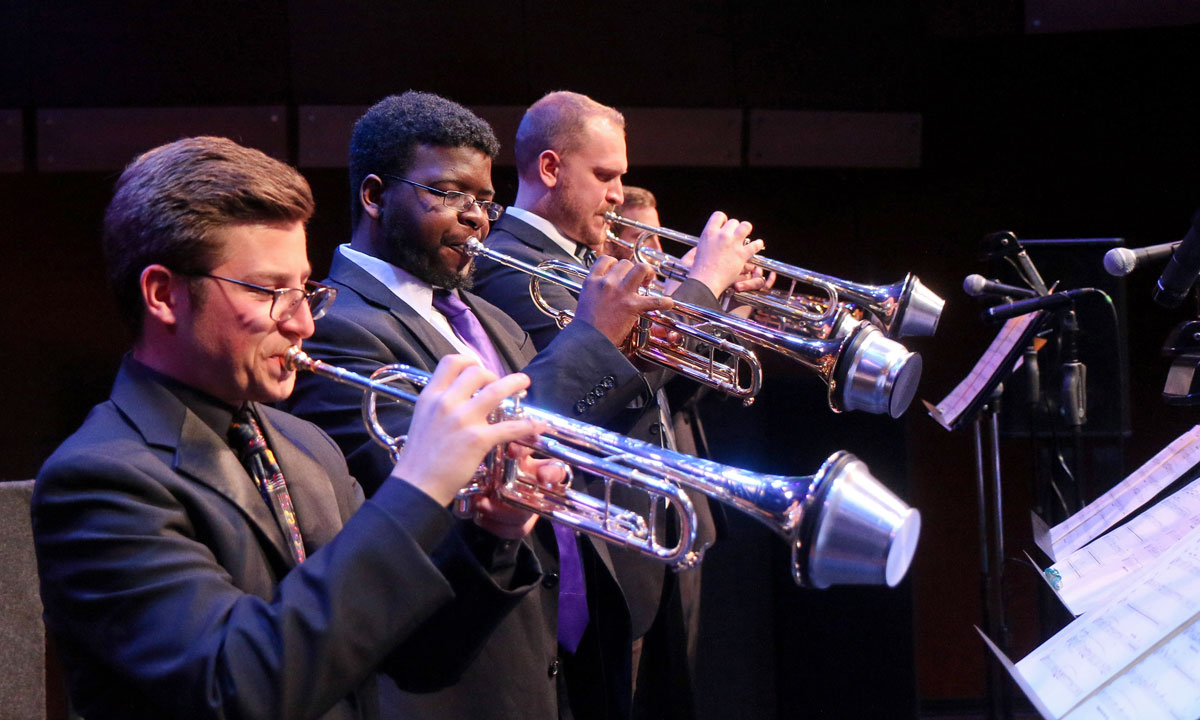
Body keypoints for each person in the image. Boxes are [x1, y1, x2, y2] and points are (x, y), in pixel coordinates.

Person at [31, 136, 556, 720]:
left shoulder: (306, 446)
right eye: (270, 291)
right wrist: (418, 486)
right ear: (163, 295)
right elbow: (241, 687)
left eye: (303, 289)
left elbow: (415, 659)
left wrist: (492, 534)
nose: (303, 321)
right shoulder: (99, 482)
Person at [281, 92, 677, 720]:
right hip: (466, 672)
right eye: (448, 194)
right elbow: (454, 473)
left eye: (485, 202)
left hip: (569, 652)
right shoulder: (335, 326)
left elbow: (565, 435)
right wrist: (592, 339)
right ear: (375, 196)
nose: (477, 218)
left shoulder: (488, 317)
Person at [470, 91, 763, 720]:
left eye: (620, 176)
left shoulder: (579, 262)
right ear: (549, 169)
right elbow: (584, 392)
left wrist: (714, 301)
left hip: (647, 537)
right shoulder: (511, 267)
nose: (616, 193)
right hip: (591, 555)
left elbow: (644, 375)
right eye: (605, 176)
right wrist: (702, 286)